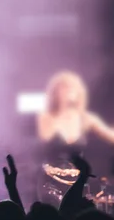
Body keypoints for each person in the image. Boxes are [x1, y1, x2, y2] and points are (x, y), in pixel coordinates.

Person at [37, 71, 114, 205]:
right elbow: (45, 139)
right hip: (51, 181)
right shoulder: (47, 118)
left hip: (76, 181)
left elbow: (109, 134)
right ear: (56, 93)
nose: (70, 92)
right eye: (65, 88)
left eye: (72, 88)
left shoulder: (86, 119)